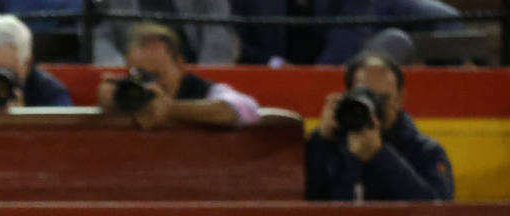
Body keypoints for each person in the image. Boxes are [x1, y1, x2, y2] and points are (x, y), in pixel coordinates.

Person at [305, 51, 453, 201]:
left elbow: (438, 213)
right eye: (365, 95)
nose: (374, 107)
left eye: (383, 98)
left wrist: (381, 155)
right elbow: (302, 203)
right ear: (349, 95)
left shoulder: (425, 151)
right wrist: (321, 141)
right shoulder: (331, 143)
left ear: (400, 98)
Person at [96, 22, 260, 129]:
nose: (151, 84)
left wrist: (172, 109)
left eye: (157, 75)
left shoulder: (203, 89)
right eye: (141, 75)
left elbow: (246, 109)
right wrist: (109, 105)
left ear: (180, 65)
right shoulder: (127, 92)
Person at [233, 0, 461, 66]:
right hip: (274, 75)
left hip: (346, 55)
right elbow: (233, 40)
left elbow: (344, 48)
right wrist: (275, 65)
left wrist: (304, 85)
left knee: (445, 20)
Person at [90, 0, 239, 66]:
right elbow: (101, 35)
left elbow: (219, 31)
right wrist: (121, 76)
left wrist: (203, 82)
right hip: (136, 76)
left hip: (193, 71)